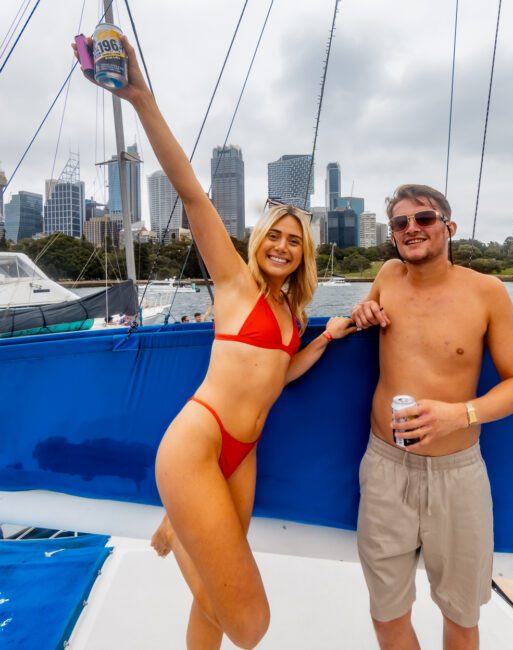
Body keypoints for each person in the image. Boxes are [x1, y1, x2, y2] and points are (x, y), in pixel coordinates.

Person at [74, 36, 356, 649]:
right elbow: (193, 192)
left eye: (294, 240)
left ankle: (183, 522)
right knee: (249, 624)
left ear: (304, 252)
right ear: (258, 241)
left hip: (243, 454)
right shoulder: (231, 280)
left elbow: (276, 374)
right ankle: (181, 515)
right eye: (273, 235)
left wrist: (328, 338)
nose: (282, 246)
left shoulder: (293, 309)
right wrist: (142, 98)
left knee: (211, 612)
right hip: (199, 444)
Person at [350, 184, 513, 650]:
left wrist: (460, 414)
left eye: (424, 218)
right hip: (385, 468)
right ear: (393, 236)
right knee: (386, 611)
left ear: (448, 228)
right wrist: (363, 310)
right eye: (400, 223)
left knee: (460, 614)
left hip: (457, 475)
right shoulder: (388, 275)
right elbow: (367, 314)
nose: (412, 228)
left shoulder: (487, 292)